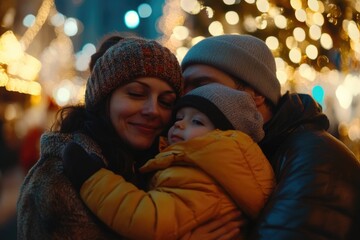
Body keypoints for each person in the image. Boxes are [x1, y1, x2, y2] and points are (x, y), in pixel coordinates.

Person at [180, 34, 360, 239]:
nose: (188, 98)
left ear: (256, 94)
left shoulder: (315, 160)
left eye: (202, 85)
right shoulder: (242, 152)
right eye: (183, 88)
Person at [16, 36, 186, 239]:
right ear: (104, 99)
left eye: (166, 102)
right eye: (136, 93)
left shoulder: (157, 165)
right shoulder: (59, 180)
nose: (154, 110)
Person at [62, 83, 275, 239]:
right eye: (179, 117)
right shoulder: (206, 167)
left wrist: (92, 178)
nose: (179, 125)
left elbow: (147, 218)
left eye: (197, 121)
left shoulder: (202, 175)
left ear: (224, 137)